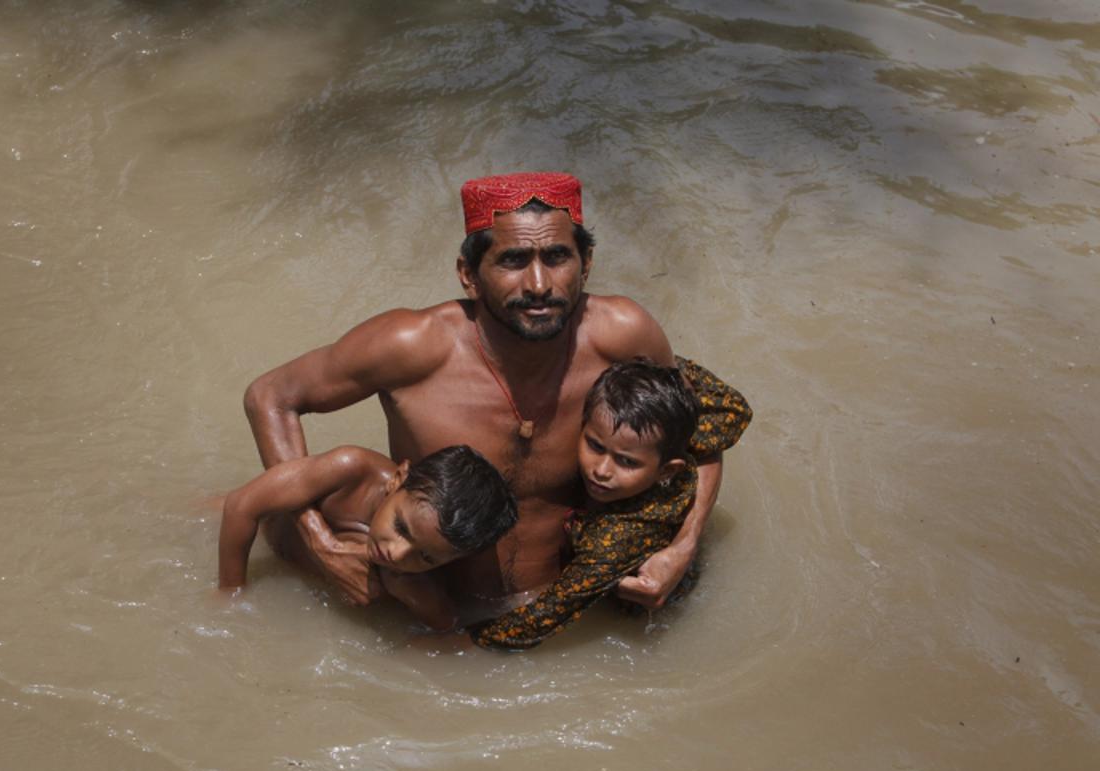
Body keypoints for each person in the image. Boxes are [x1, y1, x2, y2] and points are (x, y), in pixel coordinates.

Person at [244, 171, 750, 616]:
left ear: (586, 262)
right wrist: (321, 543)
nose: (537, 283)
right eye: (512, 260)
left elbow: (698, 437)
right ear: (469, 275)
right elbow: (271, 396)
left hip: (562, 604)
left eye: (556, 257)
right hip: (426, 601)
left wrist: (681, 551)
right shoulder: (414, 347)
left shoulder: (622, 334)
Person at [472, 358, 748, 649]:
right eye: (595, 445)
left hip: (641, 599)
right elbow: (732, 407)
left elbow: (547, 614)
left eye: (626, 462)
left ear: (667, 471)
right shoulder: (665, 433)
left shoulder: (617, 539)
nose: (601, 470)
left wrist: (467, 642)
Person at [218, 444, 517, 630]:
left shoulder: (409, 579)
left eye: (425, 557)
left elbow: (443, 625)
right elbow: (240, 507)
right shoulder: (351, 472)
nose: (398, 554)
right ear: (398, 479)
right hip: (253, 533)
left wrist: (409, 594)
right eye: (401, 527)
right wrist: (230, 595)